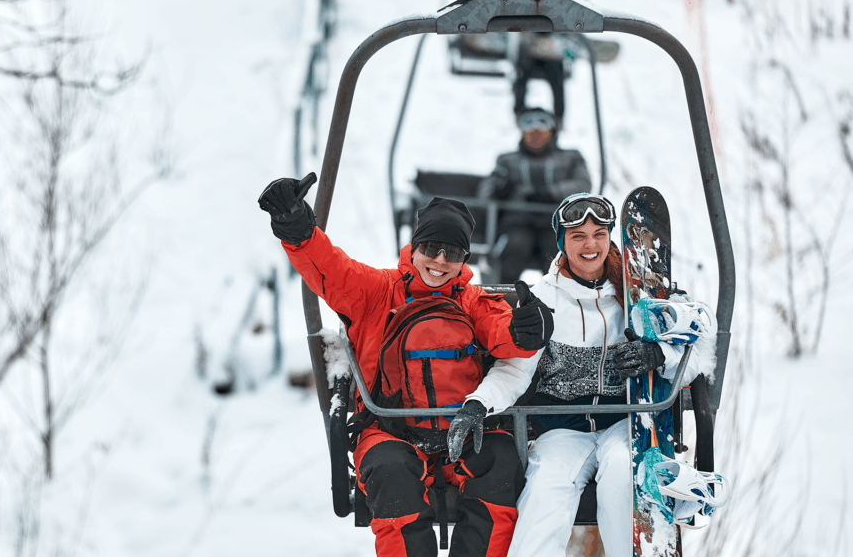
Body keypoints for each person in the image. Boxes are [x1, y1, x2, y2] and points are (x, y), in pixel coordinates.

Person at [258, 175, 554, 557]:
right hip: (391, 431)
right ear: (413, 248)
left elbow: (501, 331)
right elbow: (329, 269)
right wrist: (296, 226)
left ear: (465, 259)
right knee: (388, 469)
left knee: (501, 461)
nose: (440, 261)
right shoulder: (374, 292)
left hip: (462, 436)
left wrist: (526, 331)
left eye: (453, 252)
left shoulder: (473, 301)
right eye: (431, 247)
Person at [471, 193, 703, 557]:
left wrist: (657, 353)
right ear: (562, 243)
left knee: (621, 473)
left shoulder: (640, 294)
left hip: (624, 425)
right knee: (544, 495)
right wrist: (478, 404)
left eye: (599, 233)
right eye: (578, 235)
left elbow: (698, 349)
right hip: (561, 430)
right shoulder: (542, 300)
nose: (590, 244)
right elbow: (514, 372)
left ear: (612, 236)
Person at [476, 108, 591, 283]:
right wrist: (499, 191)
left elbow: (583, 185)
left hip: (557, 225)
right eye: (529, 131)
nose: (535, 136)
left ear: (551, 132)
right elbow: (485, 191)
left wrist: (551, 193)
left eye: (541, 130)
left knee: (556, 253)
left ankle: (560, 300)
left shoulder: (570, 159)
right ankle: (502, 299)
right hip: (518, 223)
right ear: (522, 133)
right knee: (515, 247)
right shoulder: (507, 161)